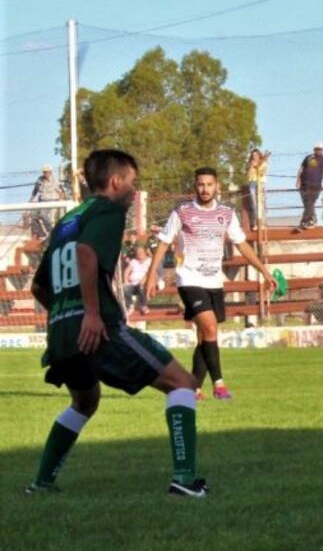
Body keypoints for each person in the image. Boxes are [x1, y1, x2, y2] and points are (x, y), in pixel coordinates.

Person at [26, 149, 207, 497]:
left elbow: (38, 286)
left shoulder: (67, 222)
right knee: (183, 384)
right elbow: (86, 254)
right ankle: (184, 481)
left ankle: (42, 483)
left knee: (85, 401)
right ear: (115, 182)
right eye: (132, 184)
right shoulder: (108, 210)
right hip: (97, 327)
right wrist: (91, 314)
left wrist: (67, 314)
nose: (134, 192)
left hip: (62, 331)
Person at [147, 167, 277, 401]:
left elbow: (242, 244)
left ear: (217, 186)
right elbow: (164, 243)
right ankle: (219, 384)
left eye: (209, 185)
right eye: (200, 184)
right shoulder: (182, 212)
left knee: (204, 336)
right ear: (194, 187)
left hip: (214, 280)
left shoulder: (227, 213)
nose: (204, 189)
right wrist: (151, 276)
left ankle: (192, 387)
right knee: (210, 328)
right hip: (189, 279)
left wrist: (264, 271)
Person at [295, 143, 323, 230]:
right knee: (307, 204)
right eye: (316, 149)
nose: (318, 151)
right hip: (304, 184)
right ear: (314, 149)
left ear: (322, 150)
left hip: (315, 185)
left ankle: (305, 221)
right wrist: (298, 181)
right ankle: (311, 220)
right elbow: (301, 169)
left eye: (320, 149)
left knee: (310, 203)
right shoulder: (308, 157)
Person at [28, 164, 66, 238]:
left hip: (52, 201)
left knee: (43, 214)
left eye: (48, 172)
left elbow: (62, 191)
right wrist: (31, 199)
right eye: (44, 172)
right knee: (33, 214)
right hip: (41, 201)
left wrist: (60, 200)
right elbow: (35, 190)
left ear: (51, 172)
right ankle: (38, 233)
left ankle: (51, 231)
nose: (46, 173)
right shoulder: (39, 180)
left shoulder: (55, 180)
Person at [246, 148, 271, 230]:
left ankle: (263, 223)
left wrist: (257, 166)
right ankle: (255, 223)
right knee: (254, 204)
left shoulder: (264, 163)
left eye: (256, 155)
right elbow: (248, 175)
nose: (254, 157)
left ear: (259, 155)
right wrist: (250, 167)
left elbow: (262, 173)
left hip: (261, 183)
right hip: (252, 183)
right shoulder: (250, 163)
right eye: (253, 155)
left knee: (262, 204)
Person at [123, 245, 152, 315]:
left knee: (141, 286)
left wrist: (144, 279)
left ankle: (143, 306)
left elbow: (151, 272)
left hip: (144, 284)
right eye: (138, 252)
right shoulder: (133, 261)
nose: (140, 253)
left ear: (145, 252)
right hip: (133, 284)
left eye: (141, 252)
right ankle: (130, 306)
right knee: (125, 287)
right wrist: (126, 281)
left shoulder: (149, 260)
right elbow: (126, 271)